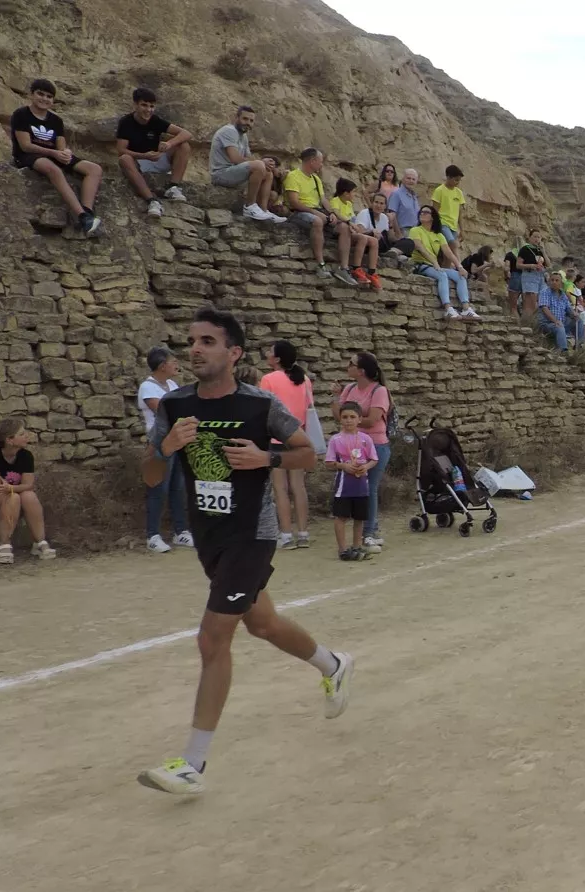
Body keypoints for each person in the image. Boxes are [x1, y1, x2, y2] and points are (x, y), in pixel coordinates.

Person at [136, 307, 351, 796]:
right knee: (263, 623)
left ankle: (193, 764)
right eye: (193, 341)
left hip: (252, 533)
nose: (195, 349)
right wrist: (165, 448)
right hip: (209, 534)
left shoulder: (260, 405)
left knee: (212, 639)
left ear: (233, 353)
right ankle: (334, 666)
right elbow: (149, 476)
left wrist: (265, 458)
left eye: (208, 341)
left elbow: (308, 454)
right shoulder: (174, 405)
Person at [10, 79, 104, 236]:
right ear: (31, 95)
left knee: (94, 169)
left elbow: (61, 145)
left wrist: (65, 153)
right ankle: (81, 216)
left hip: (53, 154)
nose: (44, 99)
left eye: (49, 96)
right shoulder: (21, 115)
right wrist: (54, 153)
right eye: (40, 94)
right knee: (53, 169)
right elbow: (25, 145)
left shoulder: (56, 120)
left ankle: (87, 212)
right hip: (28, 155)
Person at [0, 418, 58, 564]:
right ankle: (3, 545)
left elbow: (29, 485)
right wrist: (14, 490)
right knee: (12, 497)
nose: (26, 436)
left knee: (29, 495)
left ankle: (40, 542)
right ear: (9, 440)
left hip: (14, 501)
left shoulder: (26, 456)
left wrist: (11, 488)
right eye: (21, 434)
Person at [331, 352, 393, 552]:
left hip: (374, 444)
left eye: (351, 364)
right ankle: (368, 530)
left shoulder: (379, 391)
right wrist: (335, 397)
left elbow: (372, 419)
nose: (347, 366)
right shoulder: (350, 389)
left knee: (369, 488)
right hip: (352, 446)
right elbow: (338, 415)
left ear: (361, 371)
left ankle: (369, 532)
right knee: (358, 489)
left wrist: (351, 422)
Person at [259, 340, 315, 550]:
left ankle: (286, 534)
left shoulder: (268, 379)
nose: (266, 353)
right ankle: (303, 533)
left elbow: (263, 410)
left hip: (275, 440)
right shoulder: (304, 379)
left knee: (280, 488)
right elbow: (309, 408)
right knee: (298, 487)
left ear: (277, 358)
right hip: (298, 438)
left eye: (270, 351)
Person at [139, 347, 194, 553]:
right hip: (159, 444)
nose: (176, 365)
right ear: (162, 366)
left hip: (178, 441)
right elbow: (166, 411)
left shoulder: (171, 385)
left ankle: (181, 531)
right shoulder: (147, 387)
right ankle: (153, 535)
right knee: (158, 488)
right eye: (173, 361)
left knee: (178, 488)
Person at [284, 148, 358, 285]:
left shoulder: (316, 179)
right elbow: (294, 202)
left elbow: (323, 200)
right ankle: (321, 265)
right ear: (312, 161)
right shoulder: (293, 176)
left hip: (317, 211)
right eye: (320, 161)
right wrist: (314, 212)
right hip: (298, 212)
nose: (321, 164)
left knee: (344, 227)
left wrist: (331, 213)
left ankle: (344, 268)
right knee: (317, 221)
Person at [115, 87, 192, 218]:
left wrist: (169, 144)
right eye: (144, 105)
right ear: (135, 105)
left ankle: (173, 187)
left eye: (151, 106)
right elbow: (121, 150)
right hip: (139, 162)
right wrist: (144, 156)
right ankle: (152, 200)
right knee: (124, 159)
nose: (148, 110)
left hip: (156, 159)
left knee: (183, 145)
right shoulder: (126, 122)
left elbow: (186, 133)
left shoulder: (155, 120)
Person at [209, 105, 284, 222]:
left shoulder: (243, 136)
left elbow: (249, 158)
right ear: (236, 118)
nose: (248, 123)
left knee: (268, 172)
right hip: (221, 175)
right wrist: (261, 162)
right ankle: (250, 207)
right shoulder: (229, 131)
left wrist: (266, 164)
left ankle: (263, 210)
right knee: (259, 165)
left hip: (234, 174)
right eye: (245, 119)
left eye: (251, 121)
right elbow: (235, 159)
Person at [406, 205, 480, 319]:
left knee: (460, 276)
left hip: (433, 266)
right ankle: (448, 308)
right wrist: (435, 262)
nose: (422, 213)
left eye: (426, 212)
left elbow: (448, 252)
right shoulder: (415, 230)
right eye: (421, 212)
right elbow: (420, 248)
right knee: (442, 275)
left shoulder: (439, 235)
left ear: (433, 217)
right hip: (421, 264)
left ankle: (466, 308)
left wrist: (460, 267)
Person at [327, 402, 379, 561]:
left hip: (361, 485)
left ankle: (356, 547)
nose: (348, 420)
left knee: (359, 517)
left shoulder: (365, 439)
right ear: (340, 419)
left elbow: (374, 459)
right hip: (344, 487)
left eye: (352, 417)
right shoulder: (335, 439)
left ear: (359, 419)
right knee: (341, 516)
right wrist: (343, 466)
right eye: (345, 417)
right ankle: (343, 550)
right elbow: (329, 462)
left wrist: (366, 467)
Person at [330, 178, 382, 289]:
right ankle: (356, 268)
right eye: (353, 192)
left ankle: (371, 272)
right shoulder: (335, 201)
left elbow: (353, 220)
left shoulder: (349, 204)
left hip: (350, 230)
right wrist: (349, 223)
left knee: (374, 241)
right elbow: (336, 213)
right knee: (362, 238)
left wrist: (358, 228)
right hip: (339, 230)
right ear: (346, 193)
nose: (355, 194)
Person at [537, 271, 579, 352]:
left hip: (561, 321)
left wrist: (574, 314)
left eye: (557, 280)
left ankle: (580, 345)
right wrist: (555, 321)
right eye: (552, 280)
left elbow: (568, 308)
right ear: (549, 282)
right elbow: (545, 309)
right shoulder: (545, 292)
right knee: (560, 327)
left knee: (578, 321)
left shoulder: (563, 295)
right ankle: (563, 350)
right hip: (547, 323)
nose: (554, 282)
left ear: (561, 283)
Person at [431, 164, 467, 246]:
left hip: (453, 226)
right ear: (448, 177)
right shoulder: (439, 190)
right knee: (453, 244)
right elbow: (435, 210)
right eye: (456, 180)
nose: (457, 183)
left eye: (459, 180)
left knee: (451, 247)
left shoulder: (459, 193)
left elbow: (460, 212)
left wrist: (462, 230)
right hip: (443, 224)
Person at [516, 230, 549, 317]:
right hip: (529, 275)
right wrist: (531, 265)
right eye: (534, 236)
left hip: (541, 276)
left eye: (539, 237)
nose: (537, 239)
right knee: (531, 302)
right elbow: (518, 265)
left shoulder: (540, 250)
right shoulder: (525, 249)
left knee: (543, 300)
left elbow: (548, 264)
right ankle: (527, 320)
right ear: (530, 237)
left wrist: (544, 251)